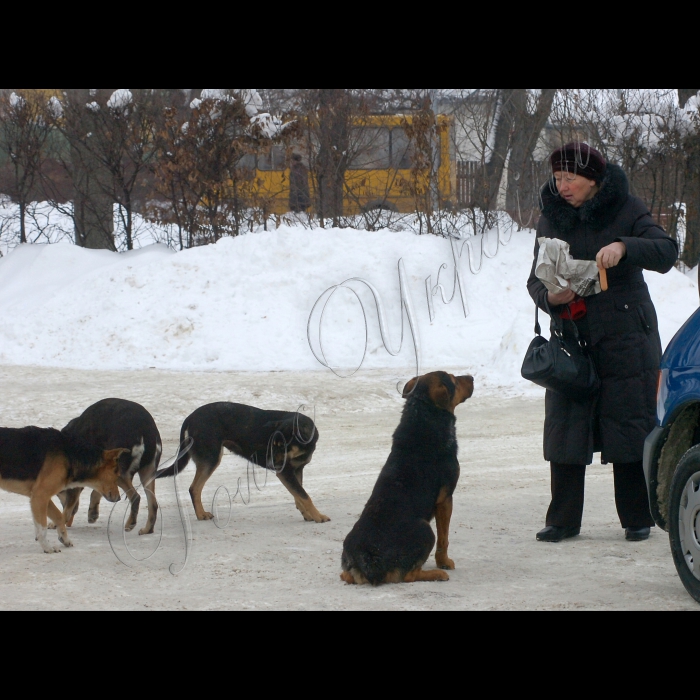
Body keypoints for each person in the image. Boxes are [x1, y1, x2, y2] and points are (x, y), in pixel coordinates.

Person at [528, 143, 679, 543]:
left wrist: (625, 247)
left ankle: (636, 518)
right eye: (557, 178)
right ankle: (562, 520)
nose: (562, 186)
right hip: (572, 336)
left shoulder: (627, 208)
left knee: (627, 421)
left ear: (593, 180)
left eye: (570, 178)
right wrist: (549, 297)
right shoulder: (550, 217)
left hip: (626, 335)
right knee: (565, 427)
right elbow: (534, 280)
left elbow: (666, 251)